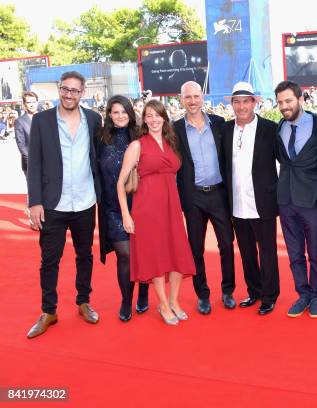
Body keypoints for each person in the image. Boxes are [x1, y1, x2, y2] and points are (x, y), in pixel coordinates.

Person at [26, 71, 102, 339]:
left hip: (84, 201)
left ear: (83, 93)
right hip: (52, 204)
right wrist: (34, 201)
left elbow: (99, 156)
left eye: (75, 90)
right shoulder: (42, 120)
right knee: (49, 260)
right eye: (65, 89)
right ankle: (49, 311)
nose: (69, 94)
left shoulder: (94, 119)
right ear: (59, 90)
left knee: (85, 255)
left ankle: (83, 302)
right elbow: (34, 163)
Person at [117, 100, 195, 326]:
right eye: (148, 116)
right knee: (158, 256)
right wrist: (125, 214)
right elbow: (121, 183)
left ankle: (173, 300)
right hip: (147, 209)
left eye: (157, 115)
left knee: (178, 252)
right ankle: (162, 303)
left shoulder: (172, 142)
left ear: (164, 117)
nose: (153, 119)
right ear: (144, 119)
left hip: (172, 207)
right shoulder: (137, 146)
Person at [174, 81, 236, 315]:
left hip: (219, 194)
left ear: (203, 97)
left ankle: (228, 291)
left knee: (227, 245)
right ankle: (203, 295)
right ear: (181, 99)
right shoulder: (175, 128)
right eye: (187, 97)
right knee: (195, 249)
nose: (192, 101)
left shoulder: (219, 124)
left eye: (196, 96)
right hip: (193, 197)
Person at [221, 82, 280, 315]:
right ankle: (254, 291)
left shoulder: (270, 128)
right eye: (237, 101)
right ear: (232, 105)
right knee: (246, 252)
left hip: (262, 201)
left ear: (254, 103)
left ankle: (269, 295)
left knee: (267, 252)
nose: (242, 106)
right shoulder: (225, 130)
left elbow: (283, 162)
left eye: (246, 101)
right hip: (236, 203)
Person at [274, 80, 317, 318]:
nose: (284, 106)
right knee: (294, 253)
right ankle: (302, 294)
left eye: (288, 101)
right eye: (280, 102)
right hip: (286, 200)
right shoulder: (278, 128)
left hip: (313, 200)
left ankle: (316, 295)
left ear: (300, 99)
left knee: (315, 252)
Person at [96, 95, 149, 322]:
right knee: (125, 255)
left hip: (141, 204)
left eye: (124, 112)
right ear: (109, 114)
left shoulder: (140, 136)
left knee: (143, 254)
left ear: (131, 113)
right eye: (115, 112)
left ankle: (144, 294)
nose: (120, 116)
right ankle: (126, 300)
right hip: (112, 207)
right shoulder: (100, 138)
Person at [14, 91, 38, 176]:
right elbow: (21, 144)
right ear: (24, 105)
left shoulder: (45, 118)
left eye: (34, 102)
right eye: (29, 102)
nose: (32, 104)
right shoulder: (19, 121)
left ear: (37, 103)